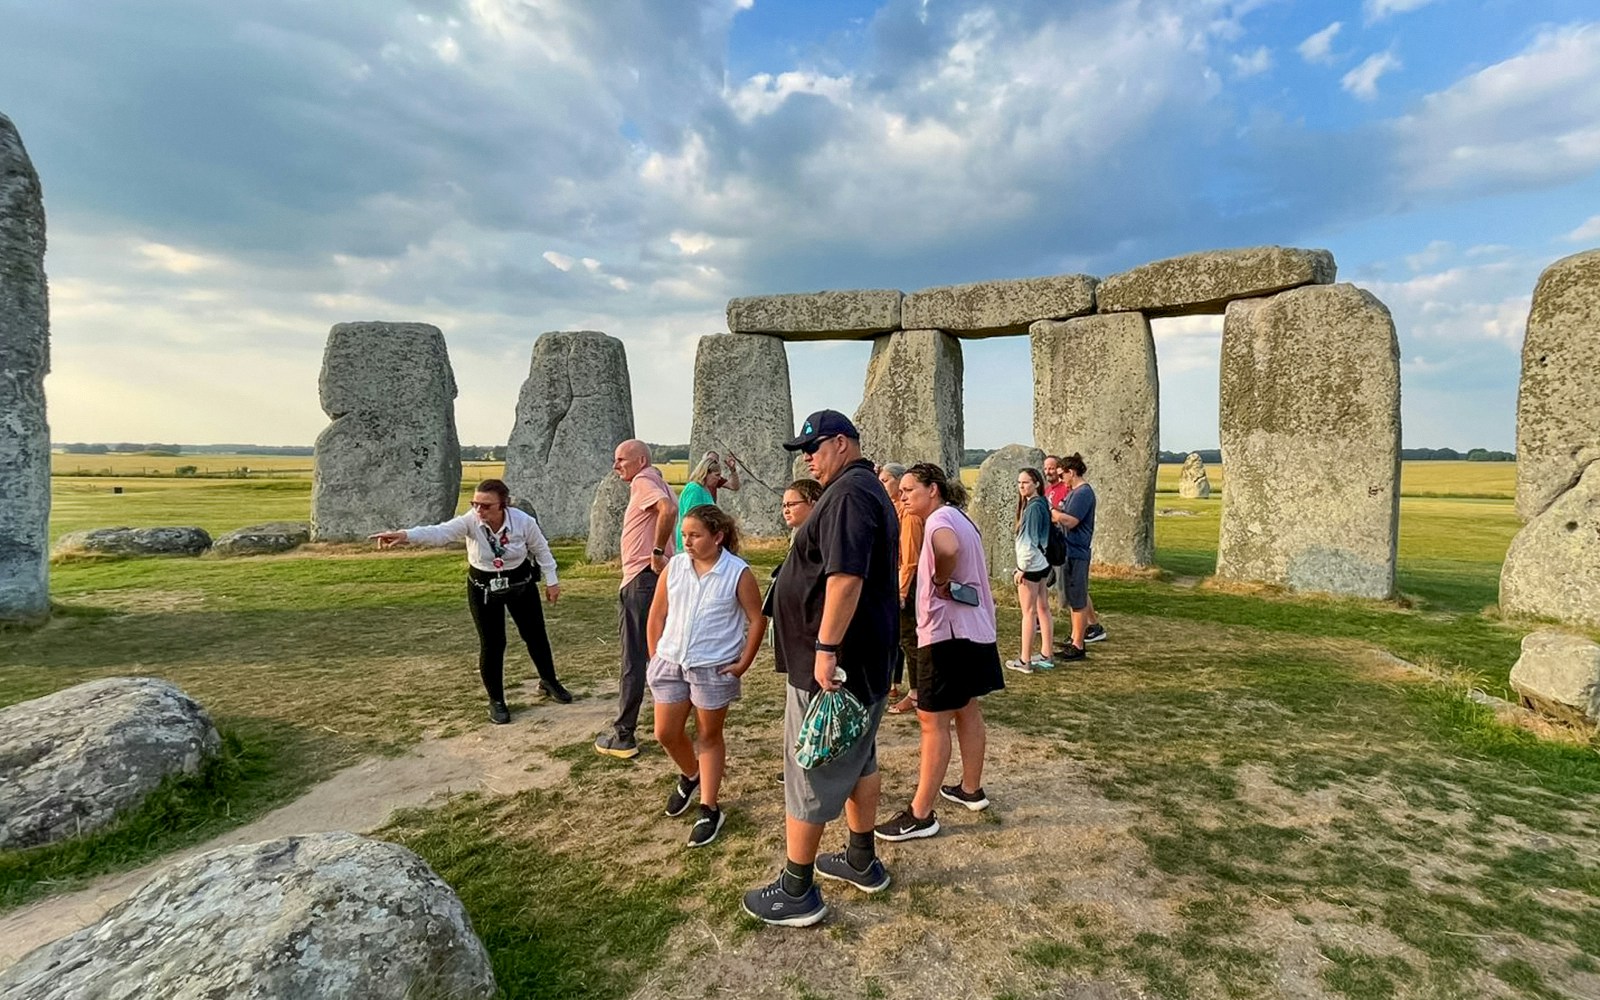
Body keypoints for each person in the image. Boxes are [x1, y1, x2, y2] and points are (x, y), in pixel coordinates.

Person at [742, 410, 899, 927]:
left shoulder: (851, 495)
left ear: (842, 442)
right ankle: (860, 859)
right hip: (864, 659)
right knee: (860, 760)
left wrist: (826, 649)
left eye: (812, 447)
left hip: (837, 666)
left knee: (812, 763)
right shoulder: (861, 489)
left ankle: (797, 890)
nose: (807, 458)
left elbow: (845, 579)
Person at [370, 479, 569, 725]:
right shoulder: (470, 521)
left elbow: (542, 550)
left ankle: (549, 681)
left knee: (535, 634)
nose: (479, 510)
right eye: (475, 503)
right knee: (493, 643)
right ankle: (496, 700)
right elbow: (440, 532)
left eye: (486, 505)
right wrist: (405, 535)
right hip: (482, 586)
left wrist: (552, 581)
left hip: (520, 583)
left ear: (503, 505)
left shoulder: (523, 522)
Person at [876, 463, 1003, 841]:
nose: (903, 496)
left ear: (934, 489)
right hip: (973, 630)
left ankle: (920, 814)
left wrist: (940, 579)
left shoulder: (938, 520)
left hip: (945, 634)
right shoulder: (962, 517)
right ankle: (970, 788)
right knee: (966, 708)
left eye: (909, 490)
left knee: (932, 723)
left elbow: (946, 548)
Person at [646, 504, 766, 848]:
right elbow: (657, 614)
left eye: (695, 535)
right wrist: (655, 655)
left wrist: (743, 663)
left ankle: (709, 807)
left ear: (718, 536)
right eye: (683, 535)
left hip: (712, 666)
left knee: (708, 736)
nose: (687, 542)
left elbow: (757, 619)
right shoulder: (675, 568)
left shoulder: (737, 572)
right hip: (671, 662)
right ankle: (691, 774)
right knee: (665, 732)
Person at [596, 439, 677, 759]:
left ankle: (624, 734)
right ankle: (674, 722)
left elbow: (667, 511)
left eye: (621, 460)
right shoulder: (660, 481)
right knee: (664, 653)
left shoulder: (644, 481)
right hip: (656, 579)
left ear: (640, 460)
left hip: (641, 579)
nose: (616, 466)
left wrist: (656, 552)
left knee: (634, 658)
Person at [1046, 455, 1106, 644]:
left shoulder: (1083, 493)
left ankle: (1077, 643)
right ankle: (1075, 637)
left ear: (1071, 472)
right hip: (1069, 550)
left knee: (1078, 599)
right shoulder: (1075, 492)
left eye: (1062, 475)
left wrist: (1052, 513)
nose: (1061, 480)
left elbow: (1071, 521)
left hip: (1076, 551)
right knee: (1074, 598)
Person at [1006, 467, 1055, 673]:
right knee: (1043, 608)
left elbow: (1028, 542)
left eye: (1025, 482)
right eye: (1019, 483)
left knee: (1028, 613)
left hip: (1031, 565)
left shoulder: (1033, 508)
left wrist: (1021, 569)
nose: (1021, 486)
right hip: (1042, 563)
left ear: (1036, 483)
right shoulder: (1042, 503)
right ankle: (1046, 654)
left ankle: (1025, 660)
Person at [676, 451, 740, 549]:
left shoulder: (704, 489)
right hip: (692, 543)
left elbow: (734, 486)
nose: (719, 479)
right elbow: (692, 519)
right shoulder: (694, 489)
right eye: (717, 475)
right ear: (706, 473)